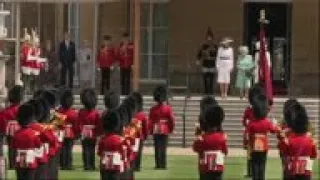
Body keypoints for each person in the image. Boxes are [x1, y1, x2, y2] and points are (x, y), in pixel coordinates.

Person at [279, 102, 317, 180]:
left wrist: (282, 138)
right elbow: (313, 155)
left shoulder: (288, 141)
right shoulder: (310, 141)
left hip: (292, 171)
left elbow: (284, 153)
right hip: (306, 172)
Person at [247, 94, 280, 180]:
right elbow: (274, 130)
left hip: (254, 146)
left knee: (254, 165)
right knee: (262, 165)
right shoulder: (266, 122)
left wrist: (249, 146)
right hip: (264, 147)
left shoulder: (251, 123)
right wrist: (275, 124)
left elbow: (249, 136)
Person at [193, 105, 228, 180]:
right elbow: (225, 151)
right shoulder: (222, 137)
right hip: (218, 168)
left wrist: (197, 134)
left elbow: (195, 148)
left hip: (205, 168)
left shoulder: (202, 138)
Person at [11, 103, 42, 180]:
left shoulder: (16, 134)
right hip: (31, 161)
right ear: (30, 118)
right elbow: (39, 145)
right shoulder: (33, 134)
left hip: (19, 160)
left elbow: (13, 148)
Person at [149, 86, 175, 169]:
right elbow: (171, 120)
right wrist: (171, 128)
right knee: (163, 148)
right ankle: (163, 165)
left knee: (157, 147)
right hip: (165, 128)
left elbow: (150, 121)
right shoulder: (168, 108)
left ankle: (158, 165)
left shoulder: (153, 109)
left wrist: (150, 130)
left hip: (156, 128)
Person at [98, 110, 127, 180]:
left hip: (105, 165)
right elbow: (124, 154)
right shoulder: (120, 140)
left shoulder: (102, 139)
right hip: (116, 166)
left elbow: (100, 153)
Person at [78, 89, 102, 170]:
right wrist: (98, 133)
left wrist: (80, 130)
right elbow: (98, 124)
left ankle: (86, 165)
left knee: (85, 149)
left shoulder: (81, 111)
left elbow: (79, 122)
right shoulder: (96, 113)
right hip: (93, 132)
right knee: (91, 149)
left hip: (84, 132)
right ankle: (91, 165)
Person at [0, 85, 23, 168]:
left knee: (11, 147)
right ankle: (17, 162)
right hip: (20, 128)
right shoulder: (21, 109)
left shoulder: (7, 110)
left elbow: (3, 119)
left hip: (10, 129)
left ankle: (12, 164)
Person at [57, 89, 78, 170]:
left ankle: (62, 164)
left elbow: (57, 124)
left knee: (62, 149)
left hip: (61, 132)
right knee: (69, 149)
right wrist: (76, 133)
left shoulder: (59, 111)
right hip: (70, 132)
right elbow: (75, 124)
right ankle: (68, 165)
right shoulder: (73, 112)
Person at [196, 27, 218, 95]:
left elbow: (218, 55)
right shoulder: (203, 46)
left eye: (210, 37)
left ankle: (211, 91)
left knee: (211, 79)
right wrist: (198, 60)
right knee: (205, 79)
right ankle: (206, 91)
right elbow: (199, 54)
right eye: (208, 37)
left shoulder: (215, 46)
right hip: (205, 63)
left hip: (212, 63)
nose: (209, 39)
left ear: (212, 38)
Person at [131, 92, 148, 171]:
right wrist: (145, 135)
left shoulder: (130, 114)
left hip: (131, 135)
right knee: (138, 152)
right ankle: (137, 166)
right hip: (139, 136)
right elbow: (145, 127)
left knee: (132, 151)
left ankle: (132, 165)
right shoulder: (142, 115)